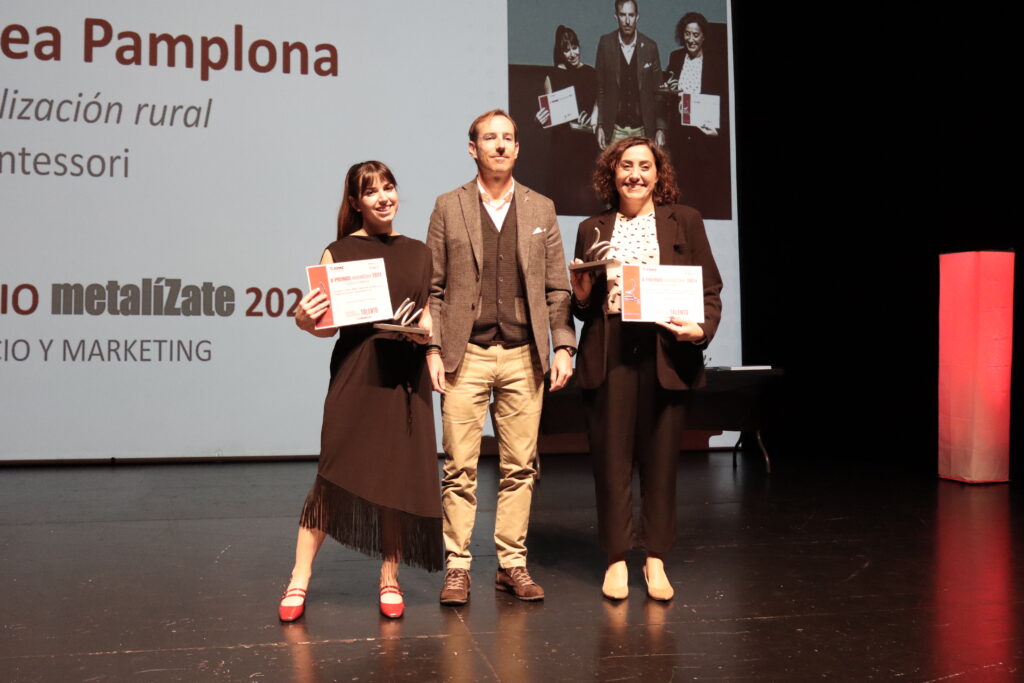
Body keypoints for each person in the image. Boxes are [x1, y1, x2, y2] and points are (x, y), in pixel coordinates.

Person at [278, 161, 442, 622]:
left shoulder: (419, 252)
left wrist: (427, 333)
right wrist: (304, 318)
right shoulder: (339, 251)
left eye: (389, 187)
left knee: (396, 480)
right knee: (332, 479)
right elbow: (321, 328)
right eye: (372, 192)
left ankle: (389, 578)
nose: (384, 197)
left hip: (404, 379)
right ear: (355, 202)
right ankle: (298, 579)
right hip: (356, 376)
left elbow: (428, 318)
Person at [425, 109, 576, 606]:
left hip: (521, 355)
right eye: (490, 138)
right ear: (473, 148)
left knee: (520, 467)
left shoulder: (541, 208)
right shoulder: (449, 206)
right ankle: (458, 567)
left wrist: (562, 345)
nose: (500, 146)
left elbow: (558, 289)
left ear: (518, 148)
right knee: (459, 468)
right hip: (463, 355)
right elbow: (434, 289)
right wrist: (432, 348)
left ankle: (512, 564)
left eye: (508, 138)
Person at [570, 137, 722, 601]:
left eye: (645, 166)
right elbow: (584, 308)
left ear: (659, 174)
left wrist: (700, 330)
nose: (635, 174)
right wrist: (579, 291)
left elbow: (709, 291)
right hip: (610, 348)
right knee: (610, 459)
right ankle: (616, 558)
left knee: (661, 460)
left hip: (665, 350)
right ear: (611, 174)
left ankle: (655, 558)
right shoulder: (591, 227)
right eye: (625, 166)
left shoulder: (686, 220)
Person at [661, 12, 731, 219]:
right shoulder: (675, 57)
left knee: (705, 187)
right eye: (687, 34)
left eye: (695, 35)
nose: (690, 39)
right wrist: (669, 87)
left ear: (704, 37)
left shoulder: (717, 63)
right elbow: (669, 91)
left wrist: (719, 130)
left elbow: (725, 100)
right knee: (682, 186)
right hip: (680, 134)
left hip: (705, 134)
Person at [535, 25, 601, 217]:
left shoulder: (591, 73)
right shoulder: (553, 76)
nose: (572, 53)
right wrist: (539, 119)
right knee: (561, 199)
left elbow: (598, 107)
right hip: (562, 147)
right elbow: (547, 115)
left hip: (586, 145)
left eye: (575, 47)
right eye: (567, 49)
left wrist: (592, 118)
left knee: (586, 199)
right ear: (560, 52)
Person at [594, 0, 666, 151]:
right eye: (623, 15)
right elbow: (601, 89)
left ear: (637, 16)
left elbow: (659, 92)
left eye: (631, 15)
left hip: (643, 128)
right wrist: (600, 125)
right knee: (613, 173)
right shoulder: (605, 44)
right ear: (616, 17)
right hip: (614, 129)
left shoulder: (650, 47)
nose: (627, 21)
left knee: (641, 173)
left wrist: (660, 128)